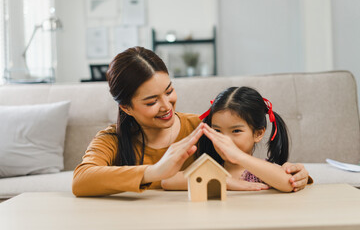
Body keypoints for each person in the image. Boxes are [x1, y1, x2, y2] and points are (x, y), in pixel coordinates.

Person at [72, 47, 309, 197]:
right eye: (152, 100)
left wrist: (299, 174)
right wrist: (154, 172)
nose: (166, 105)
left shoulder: (205, 128)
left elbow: (251, 166)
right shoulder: (112, 139)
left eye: (169, 91)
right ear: (126, 107)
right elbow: (81, 180)